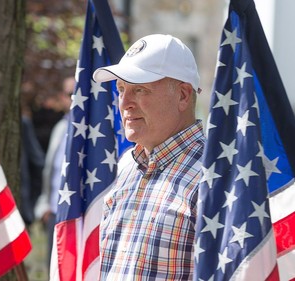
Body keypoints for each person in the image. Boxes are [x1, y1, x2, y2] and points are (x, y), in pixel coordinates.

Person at [93, 34, 205, 280]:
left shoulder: (213, 176)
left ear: (183, 95)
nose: (125, 103)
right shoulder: (125, 167)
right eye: (121, 89)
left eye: (140, 89)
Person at [34, 76, 75, 272]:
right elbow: (50, 169)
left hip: (78, 216)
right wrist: (45, 205)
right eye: (70, 94)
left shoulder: (98, 131)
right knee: (54, 271)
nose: (75, 98)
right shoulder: (60, 127)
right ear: (62, 97)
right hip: (54, 214)